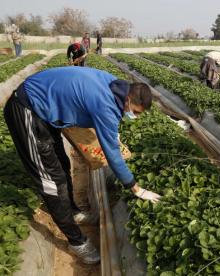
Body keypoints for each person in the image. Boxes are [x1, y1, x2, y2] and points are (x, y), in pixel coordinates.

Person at [3, 67, 161, 264]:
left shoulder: (116, 85)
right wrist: (134, 187)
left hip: (47, 109)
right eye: (135, 112)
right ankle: (76, 242)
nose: (135, 117)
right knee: (51, 181)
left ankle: (73, 211)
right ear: (129, 100)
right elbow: (112, 153)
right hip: (27, 108)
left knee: (62, 161)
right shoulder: (105, 105)